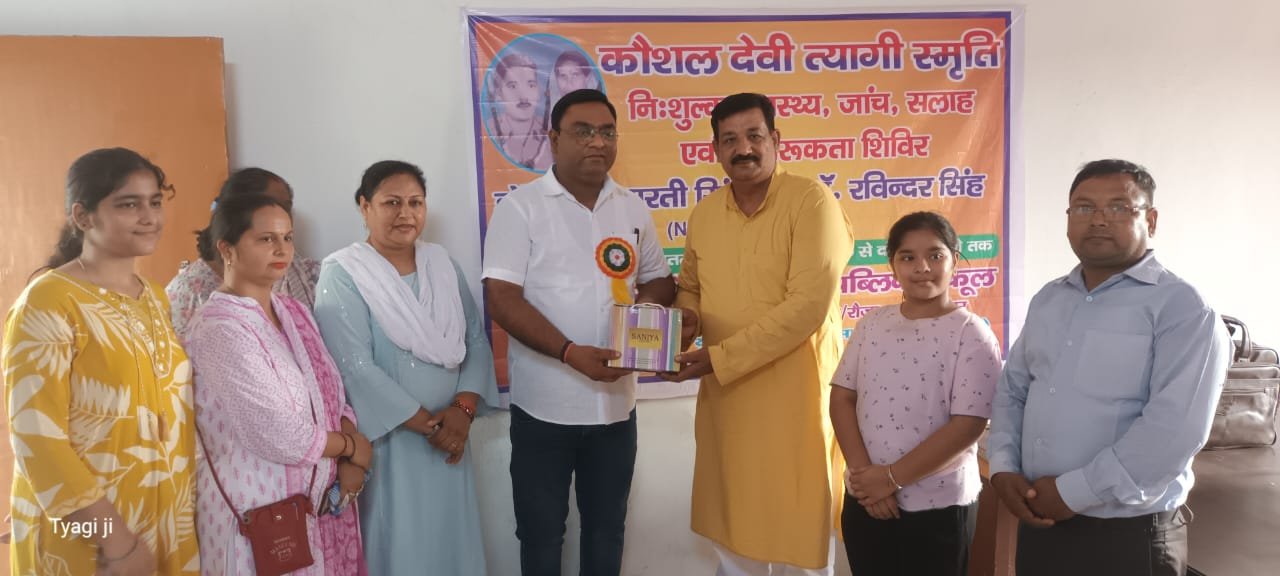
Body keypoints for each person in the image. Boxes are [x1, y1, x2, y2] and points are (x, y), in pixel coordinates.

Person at [988, 159, 1231, 576]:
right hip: (1039, 518)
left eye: (1118, 207)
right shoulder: (1049, 299)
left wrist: (1073, 492)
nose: (1098, 220)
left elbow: (1174, 432)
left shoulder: (1183, 309)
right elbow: (1014, 390)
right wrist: (1003, 467)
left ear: (1151, 220)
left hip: (1127, 536)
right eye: (1084, 208)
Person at [483, 88, 675, 576]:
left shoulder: (632, 208)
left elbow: (659, 280)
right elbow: (501, 298)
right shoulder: (521, 208)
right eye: (583, 131)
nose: (598, 142)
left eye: (607, 132)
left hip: (616, 410)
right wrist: (569, 352)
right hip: (544, 410)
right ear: (553, 139)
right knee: (541, 537)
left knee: (607, 531)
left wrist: (642, 319)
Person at [666, 92, 854, 575]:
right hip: (729, 403)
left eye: (754, 136)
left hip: (797, 399)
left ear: (775, 139)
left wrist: (718, 358)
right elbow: (690, 288)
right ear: (715, 149)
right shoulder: (705, 213)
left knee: (800, 536)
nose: (743, 149)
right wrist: (682, 327)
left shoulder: (811, 201)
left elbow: (807, 306)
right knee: (734, 532)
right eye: (729, 140)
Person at [3, 147, 199, 574]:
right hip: (94, 537)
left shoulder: (154, 297)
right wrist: (117, 542)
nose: (149, 217)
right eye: (128, 205)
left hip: (162, 523)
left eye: (154, 202)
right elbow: (37, 438)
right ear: (83, 216)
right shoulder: (49, 301)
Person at [313, 160, 498, 576]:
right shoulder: (343, 273)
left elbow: (475, 340)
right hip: (391, 444)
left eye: (415, 202)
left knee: (452, 546)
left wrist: (462, 413)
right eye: (391, 202)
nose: (406, 213)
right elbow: (353, 367)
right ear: (365, 207)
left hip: (452, 439)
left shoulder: (442, 265)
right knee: (401, 548)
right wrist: (433, 428)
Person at [184, 193, 370, 575]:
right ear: (227, 248)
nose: (282, 249)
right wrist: (353, 448)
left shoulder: (293, 311)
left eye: (287, 238)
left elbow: (331, 392)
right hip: (255, 514)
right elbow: (277, 433)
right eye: (266, 239)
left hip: (311, 512)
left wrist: (350, 457)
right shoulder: (219, 328)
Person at [830, 212, 1001, 576]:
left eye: (935, 255)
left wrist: (890, 479)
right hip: (867, 499)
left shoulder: (971, 333)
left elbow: (969, 424)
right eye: (907, 257)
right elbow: (842, 398)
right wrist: (866, 478)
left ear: (955, 259)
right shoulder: (872, 324)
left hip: (939, 508)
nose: (922, 267)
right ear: (892, 265)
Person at [166, 167, 320, 339]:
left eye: (286, 206)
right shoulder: (189, 291)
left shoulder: (304, 279)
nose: (278, 213)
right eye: (266, 238)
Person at [488, 51, 552, 171]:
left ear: (539, 91)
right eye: (513, 86)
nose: (524, 97)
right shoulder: (487, 132)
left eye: (531, 85)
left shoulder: (554, 132)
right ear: (499, 93)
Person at [544, 50, 600, 127]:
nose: (569, 82)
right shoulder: (552, 118)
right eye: (563, 75)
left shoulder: (600, 115)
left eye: (575, 74)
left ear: (587, 78)